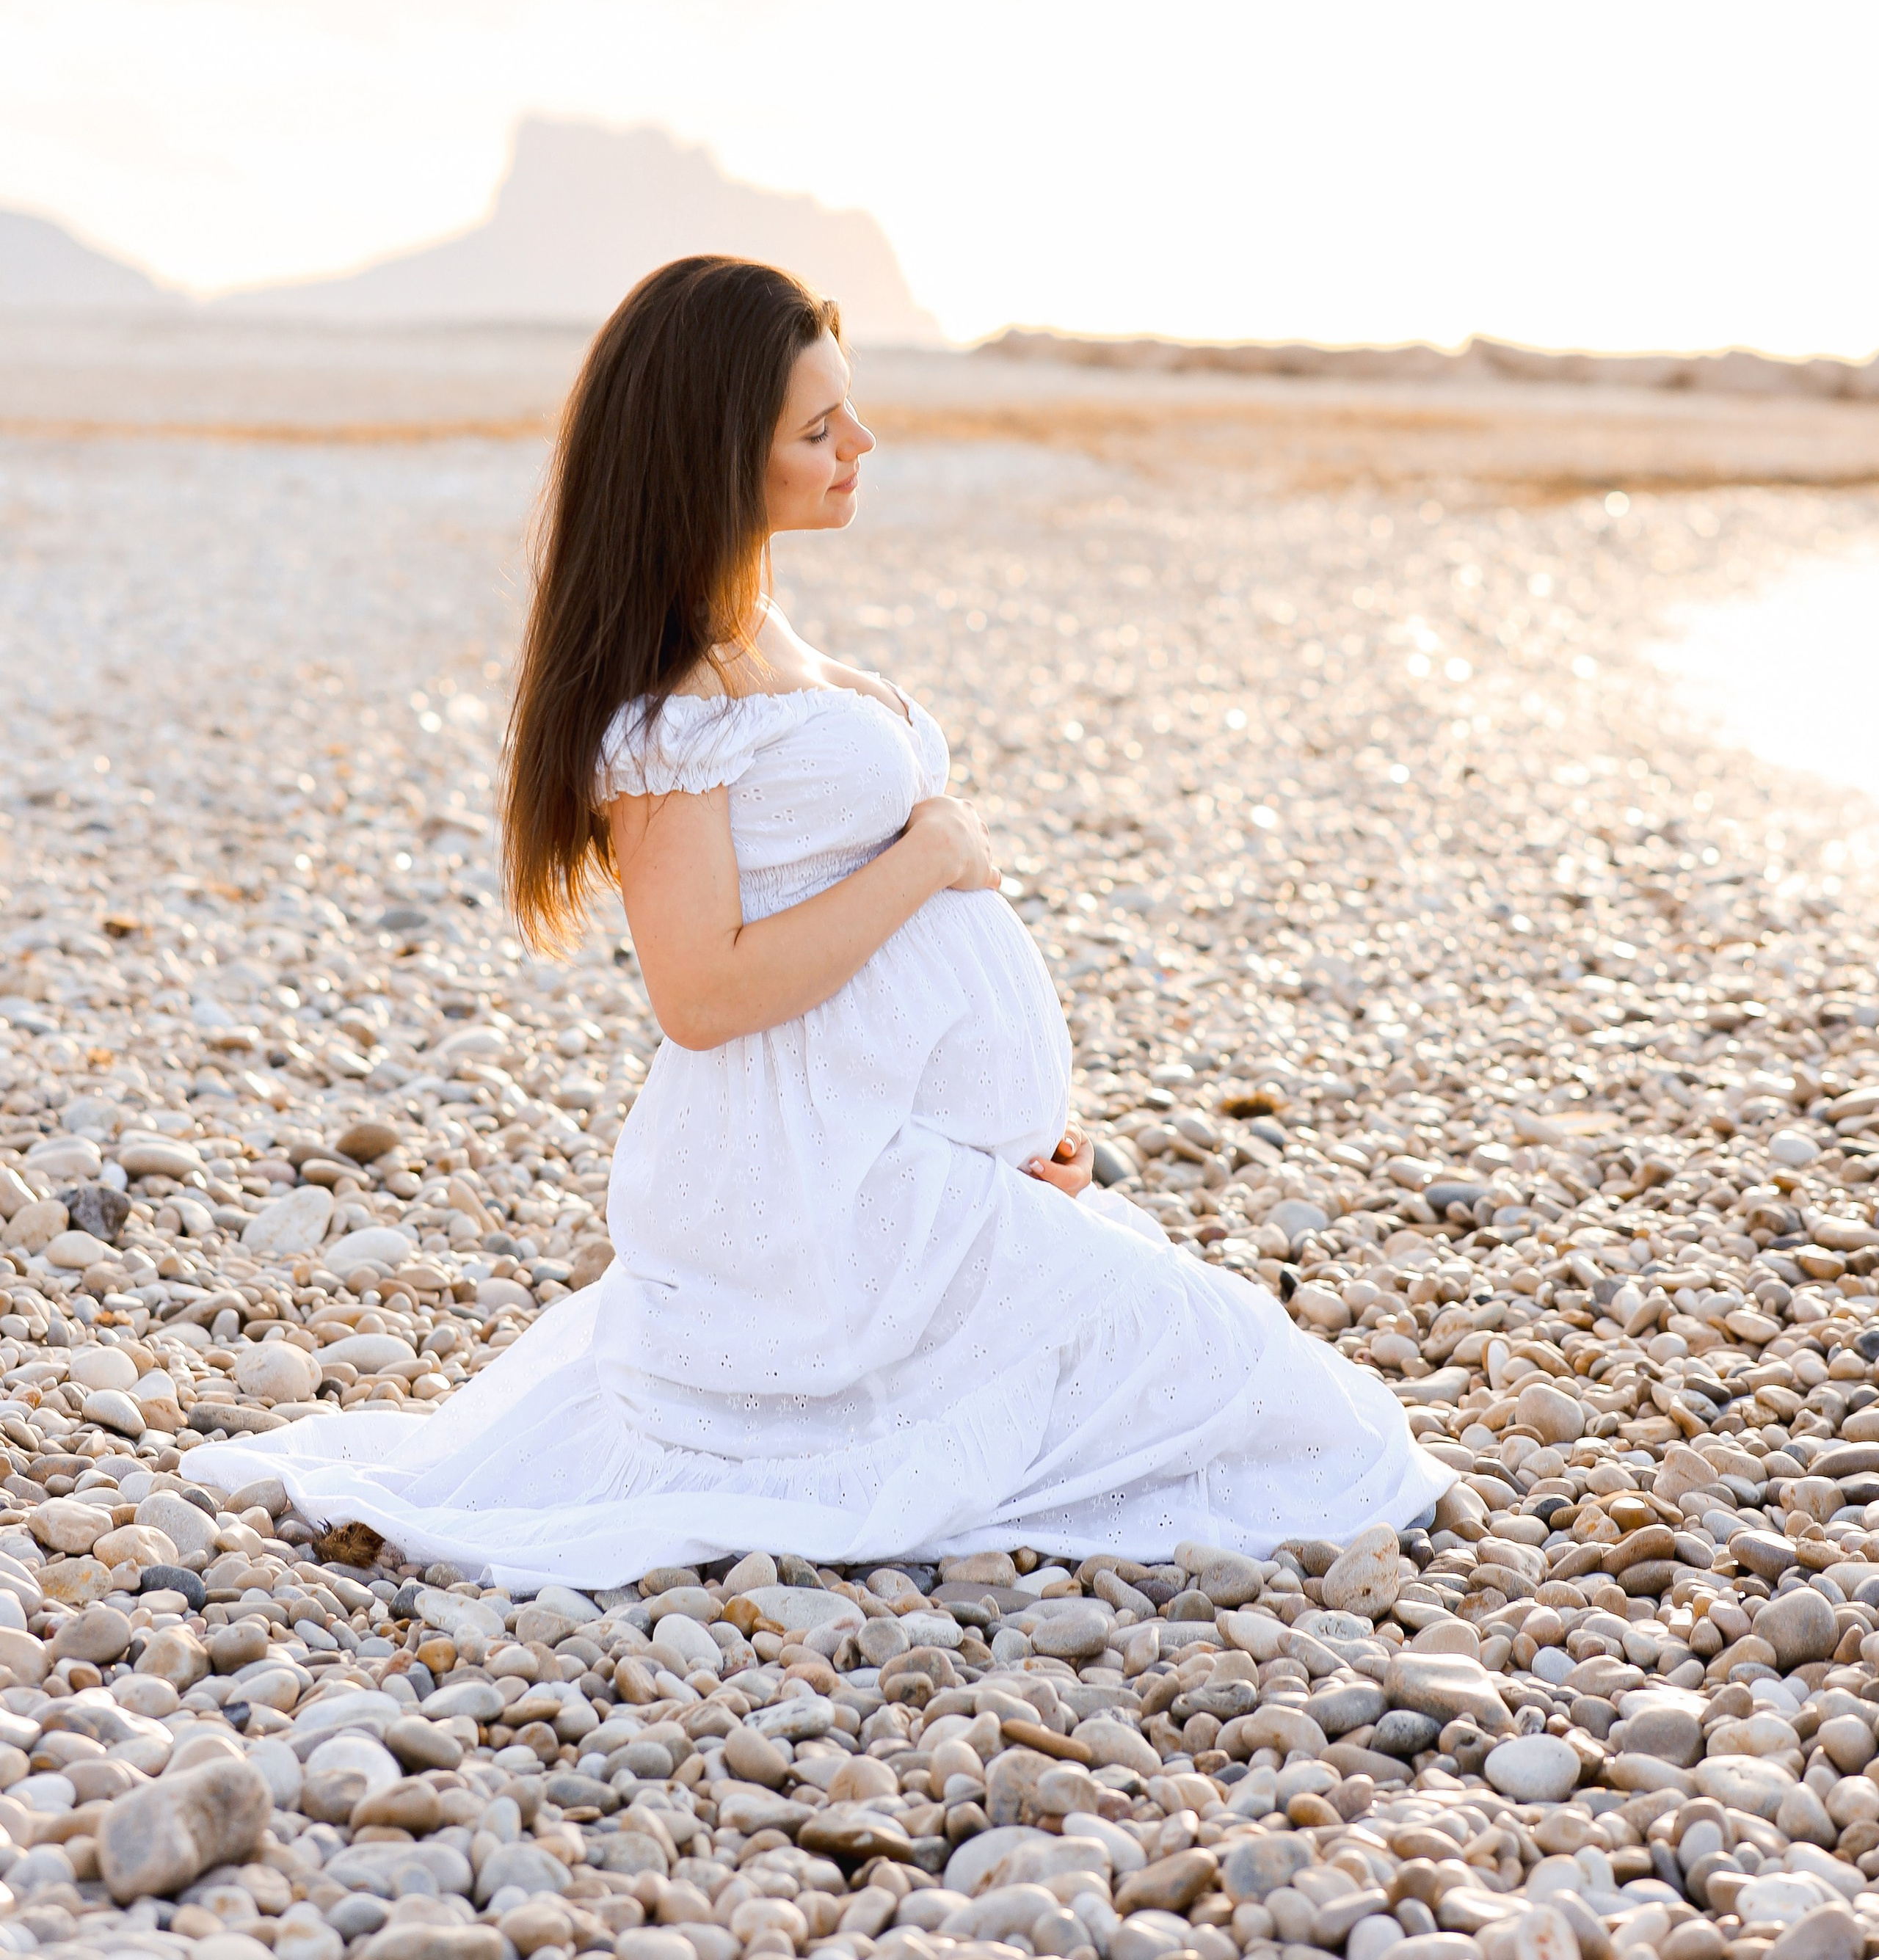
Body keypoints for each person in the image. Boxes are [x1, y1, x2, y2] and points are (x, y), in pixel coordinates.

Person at [184, 255, 1447, 1585]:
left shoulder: (764, 631)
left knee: (1269, 1396)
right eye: (816, 428)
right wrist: (934, 856)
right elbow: (704, 995)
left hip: (888, 1154)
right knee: (1281, 1415)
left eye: (848, 410)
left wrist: (999, 1143)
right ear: (716, 457)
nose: (861, 445)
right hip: (807, 1192)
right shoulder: (674, 704)